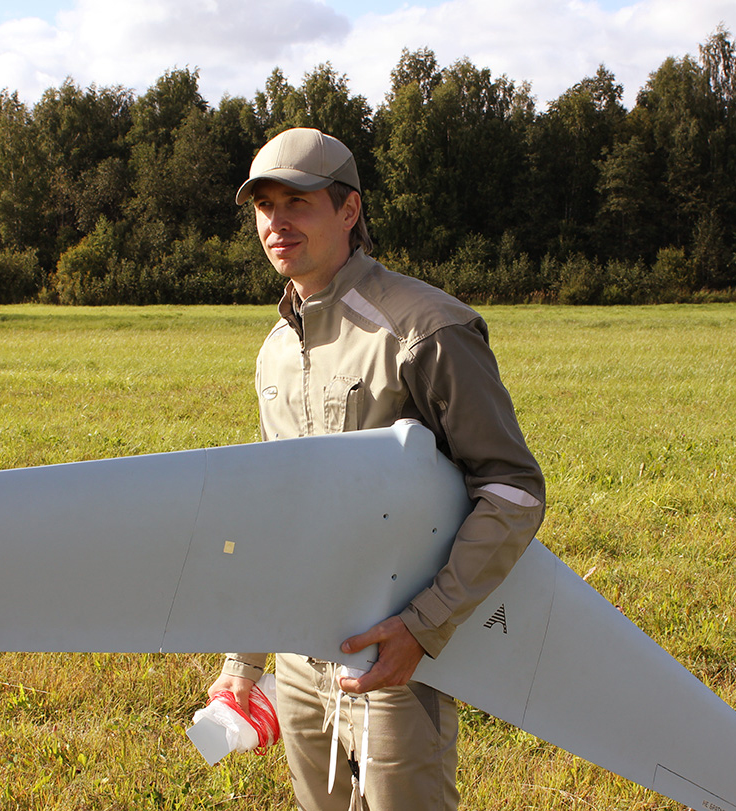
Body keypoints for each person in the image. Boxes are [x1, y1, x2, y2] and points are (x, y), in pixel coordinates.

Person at [207, 127, 545, 811]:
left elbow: (513, 489)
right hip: (300, 661)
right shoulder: (275, 348)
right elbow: (275, 508)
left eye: (297, 202)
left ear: (349, 210)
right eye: (264, 205)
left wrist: (424, 625)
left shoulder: (428, 328)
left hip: (393, 658)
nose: (276, 222)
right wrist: (245, 657)